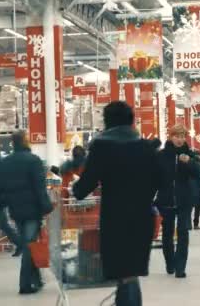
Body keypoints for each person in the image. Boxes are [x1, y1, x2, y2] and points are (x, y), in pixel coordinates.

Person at [73, 101, 160, 306]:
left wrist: (77, 190)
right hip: (142, 217)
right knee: (131, 274)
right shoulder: (145, 147)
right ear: (132, 120)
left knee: (124, 274)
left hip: (116, 218)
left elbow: (84, 186)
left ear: (107, 121)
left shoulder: (102, 147)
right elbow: (162, 179)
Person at [0, 131, 53, 295]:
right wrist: (46, 206)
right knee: (29, 245)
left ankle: (36, 280)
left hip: (15, 210)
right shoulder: (34, 161)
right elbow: (40, 187)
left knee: (28, 242)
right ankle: (25, 284)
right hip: (32, 210)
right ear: (25, 141)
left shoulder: (5, 163)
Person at [155, 124, 200, 278]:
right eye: (177, 136)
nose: (180, 139)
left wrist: (188, 162)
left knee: (183, 233)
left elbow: (198, 174)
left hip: (184, 200)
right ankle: (170, 262)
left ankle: (180, 267)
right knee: (168, 233)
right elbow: (154, 177)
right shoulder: (161, 155)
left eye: (183, 136)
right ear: (171, 137)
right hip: (166, 200)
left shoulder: (190, 154)